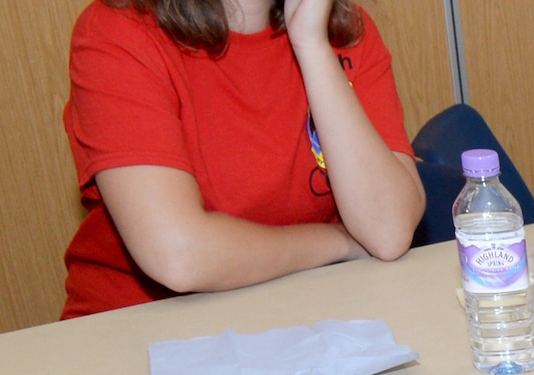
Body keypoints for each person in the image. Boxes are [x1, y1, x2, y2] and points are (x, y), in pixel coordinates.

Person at [61, 0, 424, 318]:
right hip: (138, 326)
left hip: (306, 314)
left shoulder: (343, 31)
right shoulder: (117, 32)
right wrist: (339, 244)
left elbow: (388, 233)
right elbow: (179, 255)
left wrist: (311, 44)